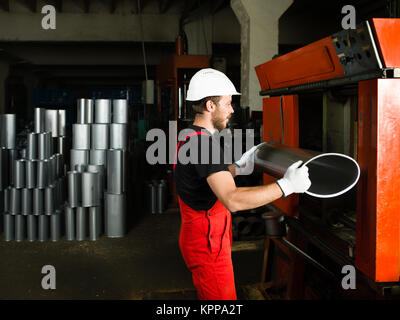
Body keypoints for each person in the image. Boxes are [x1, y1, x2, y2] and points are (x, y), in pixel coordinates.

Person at [173, 68, 311, 300]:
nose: (231, 110)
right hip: (208, 244)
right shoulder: (203, 145)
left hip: (202, 237)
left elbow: (205, 177)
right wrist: (286, 185)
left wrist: (238, 167)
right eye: (227, 103)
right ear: (210, 106)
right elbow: (233, 200)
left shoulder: (189, 136)